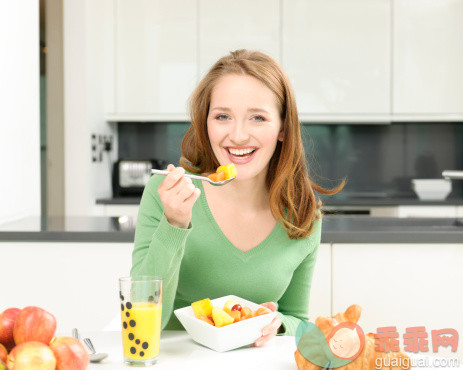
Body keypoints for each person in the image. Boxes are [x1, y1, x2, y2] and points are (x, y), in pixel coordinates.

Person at [131, 49, 343, 347]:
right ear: (206, 123)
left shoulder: (303, 214)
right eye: (222, 116)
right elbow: (142, 323)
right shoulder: (164, 194)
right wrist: (174, 224)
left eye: (257, 117)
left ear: (282, 127)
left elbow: (297, 317)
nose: (239, 135)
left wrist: (278, 322)